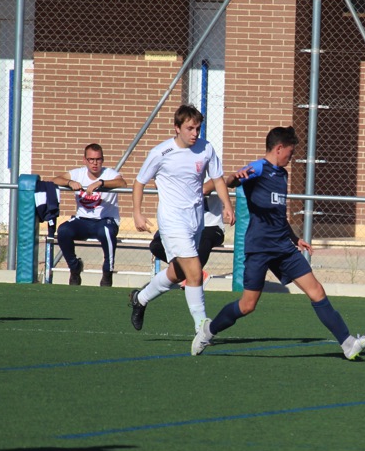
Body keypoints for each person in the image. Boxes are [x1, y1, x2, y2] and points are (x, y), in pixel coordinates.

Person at [190, 126, 365, 359]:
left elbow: (278, 215)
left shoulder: (283, 175)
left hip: (283, 247)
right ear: (279, 148)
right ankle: (208, 331)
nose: (292, 157)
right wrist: (235, 178)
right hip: (259, 248)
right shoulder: (259, 168)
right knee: (247, 305)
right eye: (290, 152)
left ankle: (348, 344)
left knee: (316, 290)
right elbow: (231, 180)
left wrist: (295, 238)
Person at [129, 104, 234, 335]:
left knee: (178, 273)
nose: (195, 133)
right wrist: (137, 212)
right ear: (177, 128)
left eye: (198, 128)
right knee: (195, 270)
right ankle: (202, 327)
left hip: (196, 219)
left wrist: (227, 205)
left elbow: (218, 179)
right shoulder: (161, 152)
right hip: (172, 220)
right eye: (190, 128)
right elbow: (139, 182)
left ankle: (141, 298)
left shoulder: (206, 148)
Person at [49, 143, 127, 287]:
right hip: (82, 220)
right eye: (91, 159)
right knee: (63, 230)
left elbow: (122, 183)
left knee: (106, 232)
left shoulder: (109, 174)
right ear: (85, 160)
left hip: (105, 220)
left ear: (102, 160)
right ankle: (75, 268)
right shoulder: (78, 173)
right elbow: (55, 180)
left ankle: (107, 272)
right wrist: (69, 182)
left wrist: (101, 183)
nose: (95, 163)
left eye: (98, 159)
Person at [149, 174, 240, 287]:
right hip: (184, 225)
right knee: (156, 245)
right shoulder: (177, 172)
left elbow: (207, 187)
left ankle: (193, 273)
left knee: (202, 242)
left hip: (210, 226)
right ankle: (193, 273)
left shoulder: (209, 172)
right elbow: (158, 184)